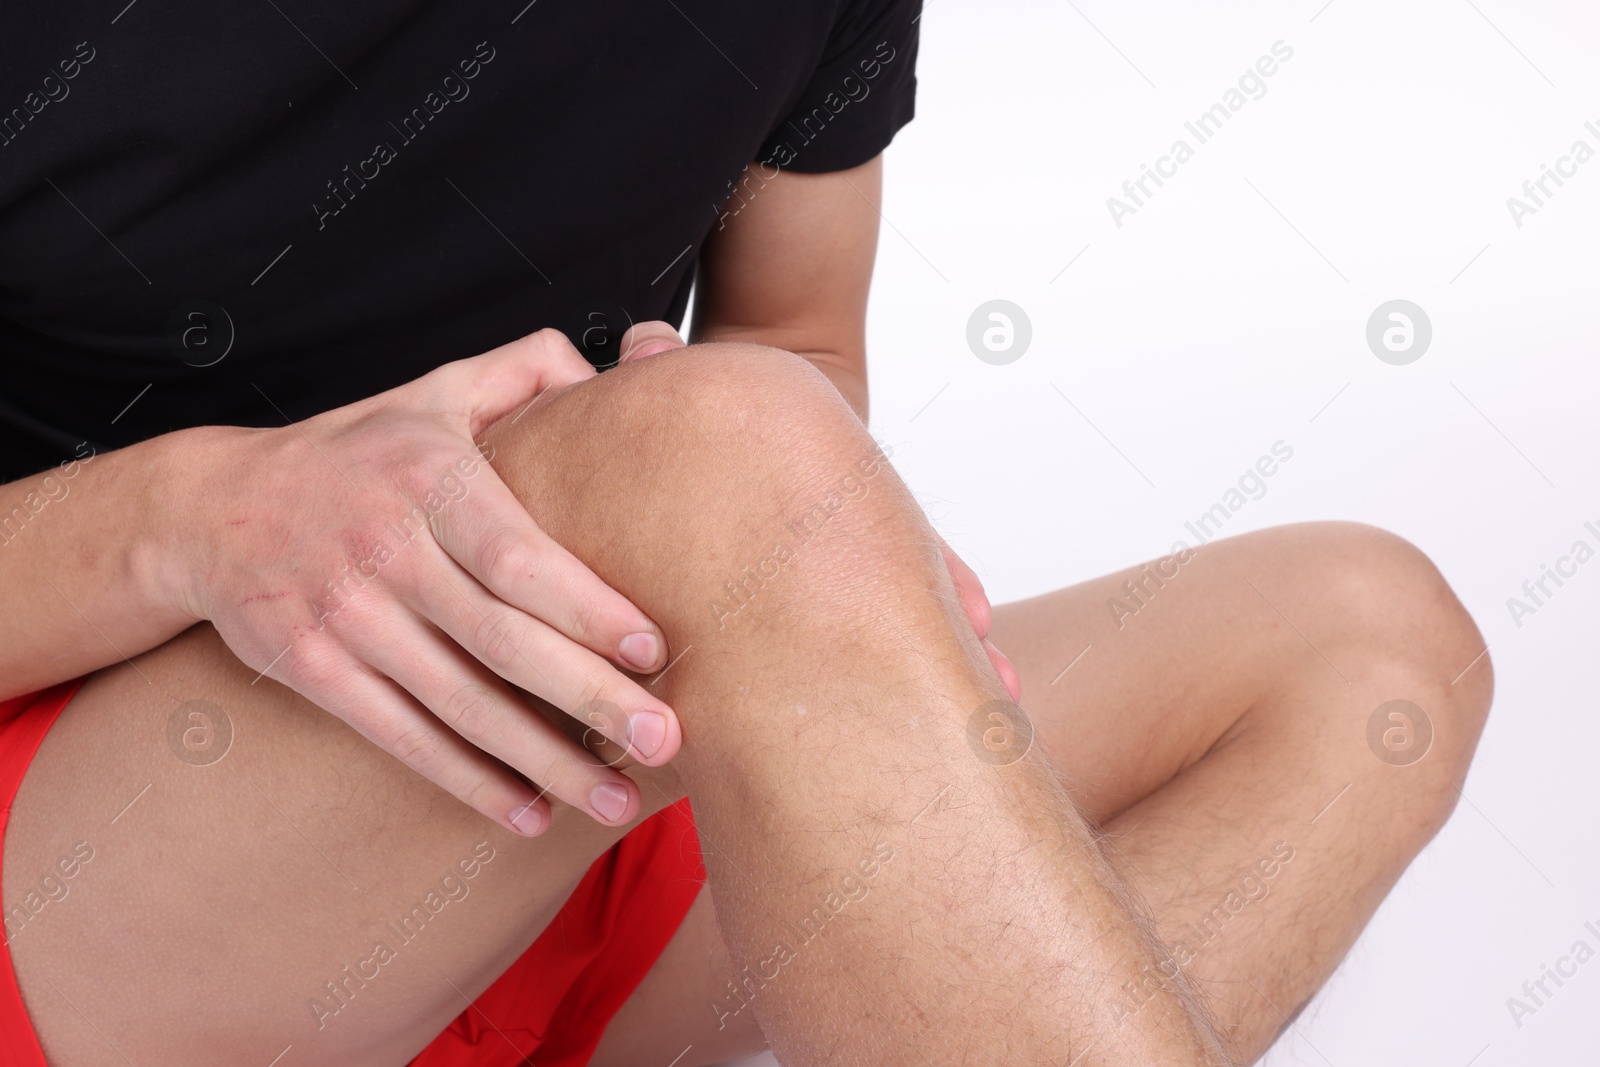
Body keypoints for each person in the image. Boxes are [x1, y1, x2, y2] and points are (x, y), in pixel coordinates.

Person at [0, 3, 1492, 1065]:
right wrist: (189, 518)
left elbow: (800, 345)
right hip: (91, 842)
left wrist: (814, 548)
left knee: (1373, 645)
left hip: (555, 787)